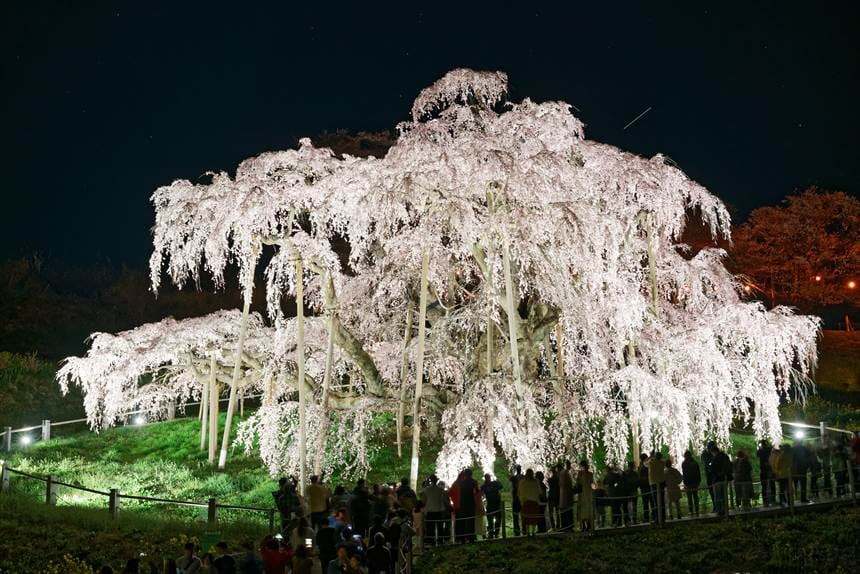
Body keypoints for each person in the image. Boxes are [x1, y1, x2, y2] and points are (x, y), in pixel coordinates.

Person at [452, 468, 479, 543]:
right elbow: (477, 491)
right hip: (470, 502)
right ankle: (471, 537)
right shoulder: (474, 481)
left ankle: (462, 538)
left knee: (463, 521)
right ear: (471, 474)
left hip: (463, 503)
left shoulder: (461, 482)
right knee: (471, 520)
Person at [420, 475, 447, 546]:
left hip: (430, 511)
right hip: (439, 511)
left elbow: (424, 501)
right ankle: (440, 541)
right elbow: (443, 500)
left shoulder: (426, 490)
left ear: (430, 481)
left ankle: (431, 541)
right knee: (440, 527)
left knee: (430, 528)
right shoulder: (440, 490)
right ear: (436, 480)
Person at [517, 468, 542, 536]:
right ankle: (533, 532)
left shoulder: (522, 482)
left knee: (527, 518)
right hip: (534, 501)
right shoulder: (536, 481)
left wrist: (521, 501)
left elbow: (519, 492)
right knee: (533, 518)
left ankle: (528, 532)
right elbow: (539, 492)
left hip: (526, 502)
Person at [710, 444, 732, 516]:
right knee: (724, 495)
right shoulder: (725, 456)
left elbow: (712, 469)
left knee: (718, 496)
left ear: (713, 452)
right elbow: (730, 466)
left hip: (717, 480)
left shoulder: (714, 459)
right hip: (725, 478)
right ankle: (725, 509)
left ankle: (719, 510)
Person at [481, 473, 503, 538]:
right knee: (498, 520)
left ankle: (491, 534)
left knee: (490, 520)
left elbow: (481, 494)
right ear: (490, 477)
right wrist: (496, 480)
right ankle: (496, 533)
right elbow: (501, 486)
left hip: (490, 504)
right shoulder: (495, 483)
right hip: (496, 504)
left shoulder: (484, 486)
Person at [575, 460, 595, 532]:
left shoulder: (588, 474)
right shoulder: (584, 475)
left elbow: (590, 483)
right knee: (583, 510)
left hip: (587, 494)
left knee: (587, 510)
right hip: (584, 494)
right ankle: (584, 525)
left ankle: (587, 525)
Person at [647, 452, 667, 523]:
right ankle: (663, 517)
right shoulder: (662, 463)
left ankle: (657, 518)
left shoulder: (651, 463)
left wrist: (650, 456)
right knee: (661, 501)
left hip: (653, 483)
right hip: (661, 483)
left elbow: (644, 463)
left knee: (655, 502)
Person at [637, 453, 654, 523]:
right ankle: (653, 516)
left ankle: (647, 517)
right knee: (651, 502)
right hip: (648, 486)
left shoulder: (640, 466)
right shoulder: (646, 466)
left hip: (643, 487)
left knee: (645, 503)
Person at [757, 440, 774, 506]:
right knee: (772, 485)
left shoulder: (760, 450)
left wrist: (758, 446)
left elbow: (757, 454)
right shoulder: (769, 449)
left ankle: (765, 501)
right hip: (770, 468)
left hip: (763, 469)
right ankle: (773, 499)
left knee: (764, 486)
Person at [558, 460, 574, 530]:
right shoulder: (564, 473)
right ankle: (567, 526)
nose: (570, 466)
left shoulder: (565, 473)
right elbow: (566, 484)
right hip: (566, 496)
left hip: (565, 496)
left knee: (566, 511)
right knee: (566, 512)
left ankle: (567, 526)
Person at [509, 465, 523, 536]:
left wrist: (512, 471)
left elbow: (510, 478)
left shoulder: (513, 478)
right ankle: (524, 530)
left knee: (516, 516)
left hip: (516, 498)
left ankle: (517, 532)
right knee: (522, 516)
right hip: (522, 498)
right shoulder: (523, 477)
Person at [701, 442, 716, 507]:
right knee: (713, 491)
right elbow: (705, 461)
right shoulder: (707, 454)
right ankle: (716, 506)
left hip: (712, 475)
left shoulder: (707, 454)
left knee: (713, 491)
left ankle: (716, 506)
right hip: (712, 475)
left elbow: (705, 461)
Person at [547, 464, 561, 529]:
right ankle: (557, 525)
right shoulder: (558, 479)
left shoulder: (550, 480)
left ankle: (554, 526)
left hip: (552, 497)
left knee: (552, 513)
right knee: (557, 512)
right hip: (557, 497)